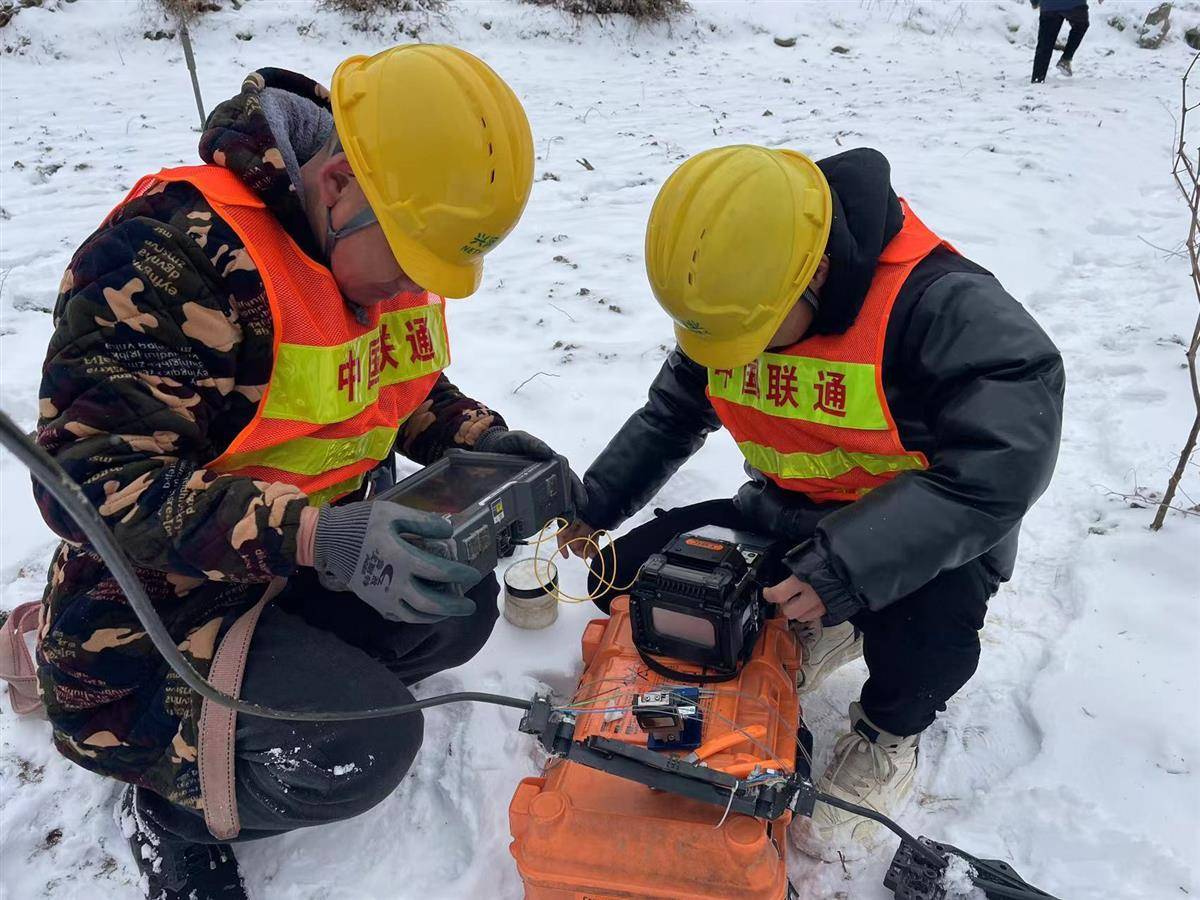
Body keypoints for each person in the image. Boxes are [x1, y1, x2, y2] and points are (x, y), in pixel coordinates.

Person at [13, 46, 584, 899]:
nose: (411, 289)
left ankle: (279, 694)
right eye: (406, 261)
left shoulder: (387, 248)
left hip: (300, 567)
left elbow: (404, 384)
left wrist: (489, 445)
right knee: (357, 747)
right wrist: (322, 536)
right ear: (339, 185)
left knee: (457, 604)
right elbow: (89, 483)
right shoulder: (169, 257)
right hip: (157, 607)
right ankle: (170, 805)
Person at [557, 146, 1065, 859]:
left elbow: (1002, 465)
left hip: (915, 545)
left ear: (816, 273)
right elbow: (673, 414)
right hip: (785, 517)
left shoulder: (940, 306)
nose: (731, 357)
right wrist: (596, 502)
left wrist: (850, 566)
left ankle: (887, 731)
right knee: (625, 581)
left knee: (926, 638)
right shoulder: (734, 292)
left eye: (749, 338)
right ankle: (823, 613)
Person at [1031, 0, 1090, 82]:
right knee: (1081, 25)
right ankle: (1066, 58)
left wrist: (1034, 2)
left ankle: (1037, 78)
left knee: (1045, 42)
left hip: (1049, 6)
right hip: (1074, 4)